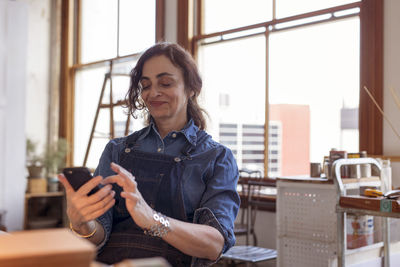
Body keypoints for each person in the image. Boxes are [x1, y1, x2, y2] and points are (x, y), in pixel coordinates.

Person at [58, 42, 240, 266]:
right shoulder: (116, 151)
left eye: (165, 83)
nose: (153, 93)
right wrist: (82, 224)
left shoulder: (217, 158)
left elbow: (213, 245)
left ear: (192, 88)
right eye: (146, 85)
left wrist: (152, 219)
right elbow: (98, 236)